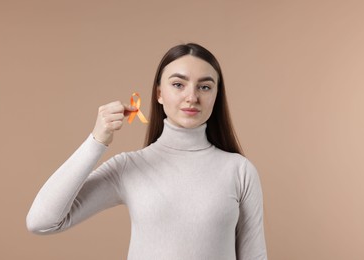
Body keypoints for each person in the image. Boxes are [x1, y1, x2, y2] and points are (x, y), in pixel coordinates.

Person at [26, 43, 268, 259]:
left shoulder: (239, 170)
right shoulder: (130, 167)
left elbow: (254, 255)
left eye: (204, 87)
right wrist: (96, 141)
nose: (192, 96)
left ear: (216, 95)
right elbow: (42, 222)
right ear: (159, 94)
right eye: (178, 84)